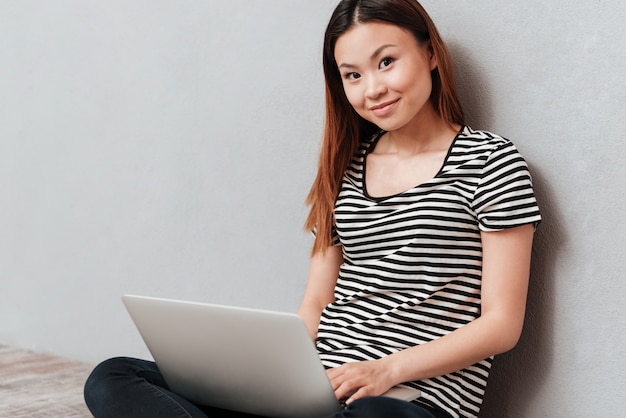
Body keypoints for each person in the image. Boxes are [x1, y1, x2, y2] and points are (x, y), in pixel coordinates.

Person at [84, 0, 541, 417]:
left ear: (430, 54)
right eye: (353, 75)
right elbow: (317, 303)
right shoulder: (345, 166)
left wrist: (385, 371)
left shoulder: (491, 162)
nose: (373, 88)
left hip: (409, 398)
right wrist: (263, 376)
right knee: (114, 375)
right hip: (315, 388)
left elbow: (501, 325)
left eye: (387, 62)